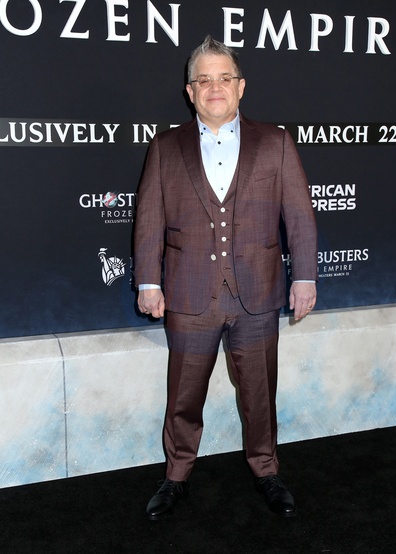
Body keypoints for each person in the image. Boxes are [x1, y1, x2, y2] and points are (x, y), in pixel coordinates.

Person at [134, 35, 317, 520]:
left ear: (240, 86)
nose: (214, 87)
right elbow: (149, 219)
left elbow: (299, 216)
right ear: (190, 92)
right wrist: (148, 281)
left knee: (260, 395)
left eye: (224, 78)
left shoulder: (275, 142)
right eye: (204, 80)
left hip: (257, 294)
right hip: (189, 295)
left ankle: (267, 471)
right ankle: (176, 477)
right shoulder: (165, 147)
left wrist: (305, 277)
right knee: (183, 397)